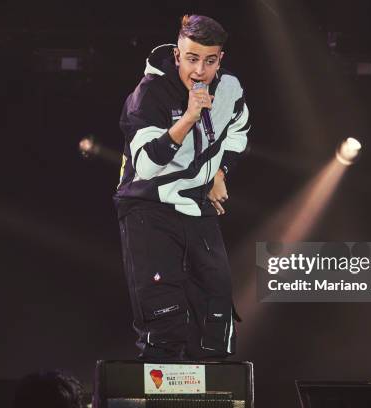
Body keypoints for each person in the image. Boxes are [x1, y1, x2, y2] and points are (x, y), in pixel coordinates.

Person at [114, 14, 250, 360]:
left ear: (220, 59)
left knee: (216, 313)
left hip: (195, 203)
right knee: (165, 318)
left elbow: (239, 131)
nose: (200, 71)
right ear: (177, 55)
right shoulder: (149, 94)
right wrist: (188, 117)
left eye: (210, 60)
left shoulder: (230, 88)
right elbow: (145, 165)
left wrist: (219, 172)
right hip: (148, 205)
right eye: (191, 59)